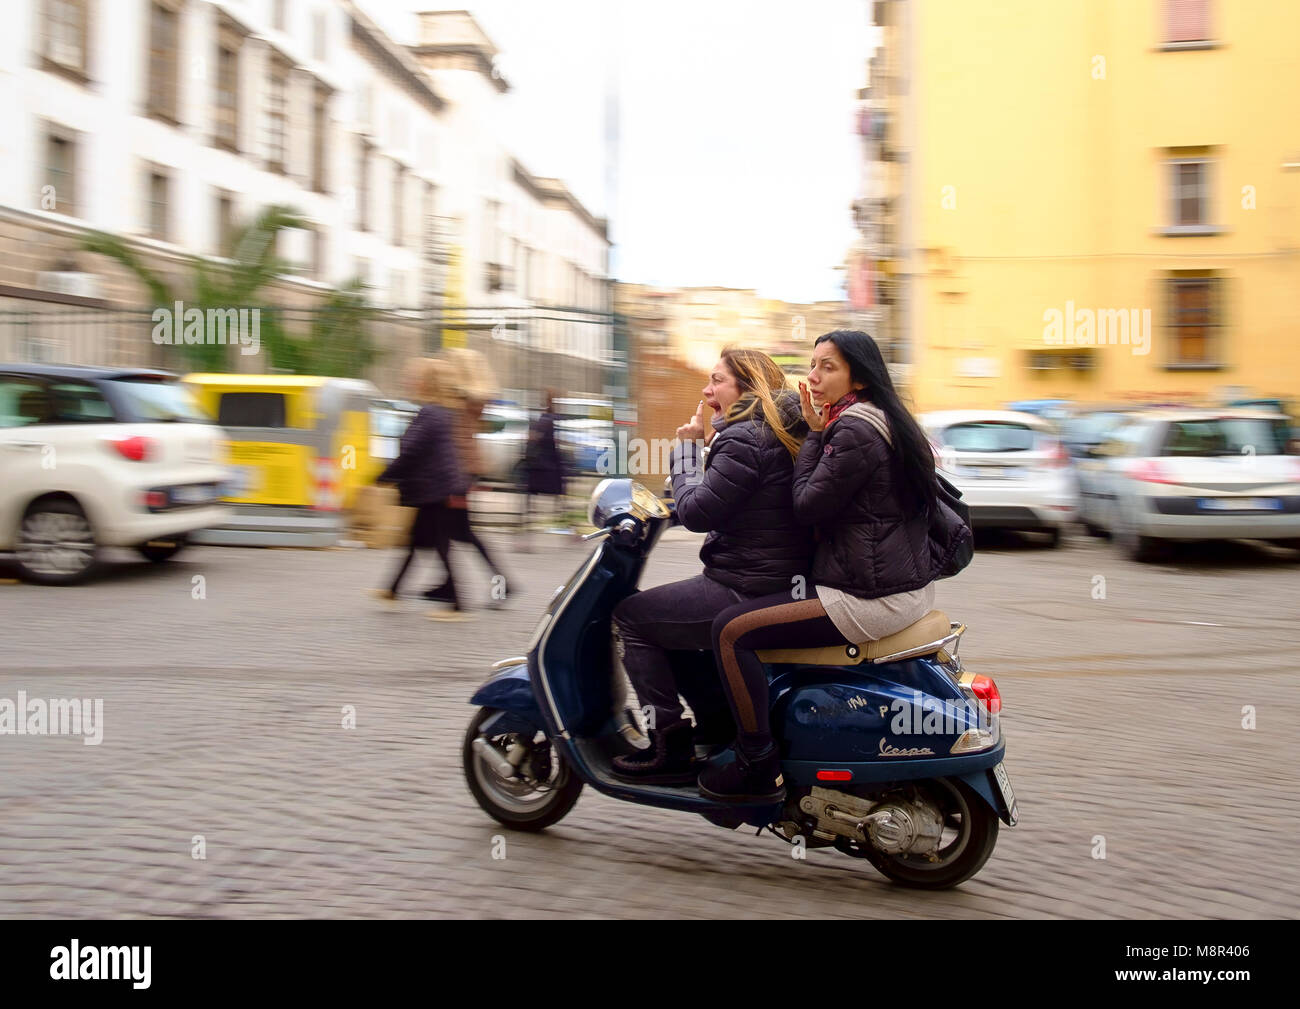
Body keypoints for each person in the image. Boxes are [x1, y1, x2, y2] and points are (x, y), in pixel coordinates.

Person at [698, 330, 941, 802]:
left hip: (867, 598)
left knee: (731, 631)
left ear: (860, 378)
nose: (812, 377)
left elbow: (806, 504)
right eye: (812, 366)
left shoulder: (852, 428)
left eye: (827, 367)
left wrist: (813, 432)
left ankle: (757, 765)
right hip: (895, 585)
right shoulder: (882, 418)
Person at [611, 349, 812, 783]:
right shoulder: (777, 431)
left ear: (747, 388)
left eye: (717, 380)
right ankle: (718, 724)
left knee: (632, 618)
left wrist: (685, 452)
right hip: (776, 579)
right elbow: (731, 500)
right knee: (671, 623)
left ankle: (668, 743)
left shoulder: (744, 438)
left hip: (745, 584)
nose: (706, 390)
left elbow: (701, 512)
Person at [371, 357, 473, 622]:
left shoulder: (431, 413)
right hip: (437, 490)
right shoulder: (439, 413)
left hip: (436, 492)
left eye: (414, 378)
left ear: (427, 384)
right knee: (416, 543)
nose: (409, 382)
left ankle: (459, 605)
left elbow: (411, 452)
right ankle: (392, 590)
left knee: (440, 547)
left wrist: (382, 477)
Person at [424, 347, 510, 605]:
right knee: (454, 533)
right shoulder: (472, 399)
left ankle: (499, 584)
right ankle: (451, 585)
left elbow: (456, 443)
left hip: (456, 477)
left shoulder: (460, 401)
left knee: (458, 534)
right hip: (462, 475)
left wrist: (455, 483)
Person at [521, 389, 566, 549]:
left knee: (531, 505)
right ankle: (571, 534)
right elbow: (554, 444)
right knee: (559, 503)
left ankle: (526, 539)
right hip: (549, 469)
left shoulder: (543, 419)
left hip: (540, 468)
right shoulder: (551, 420)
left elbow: (533, 439)